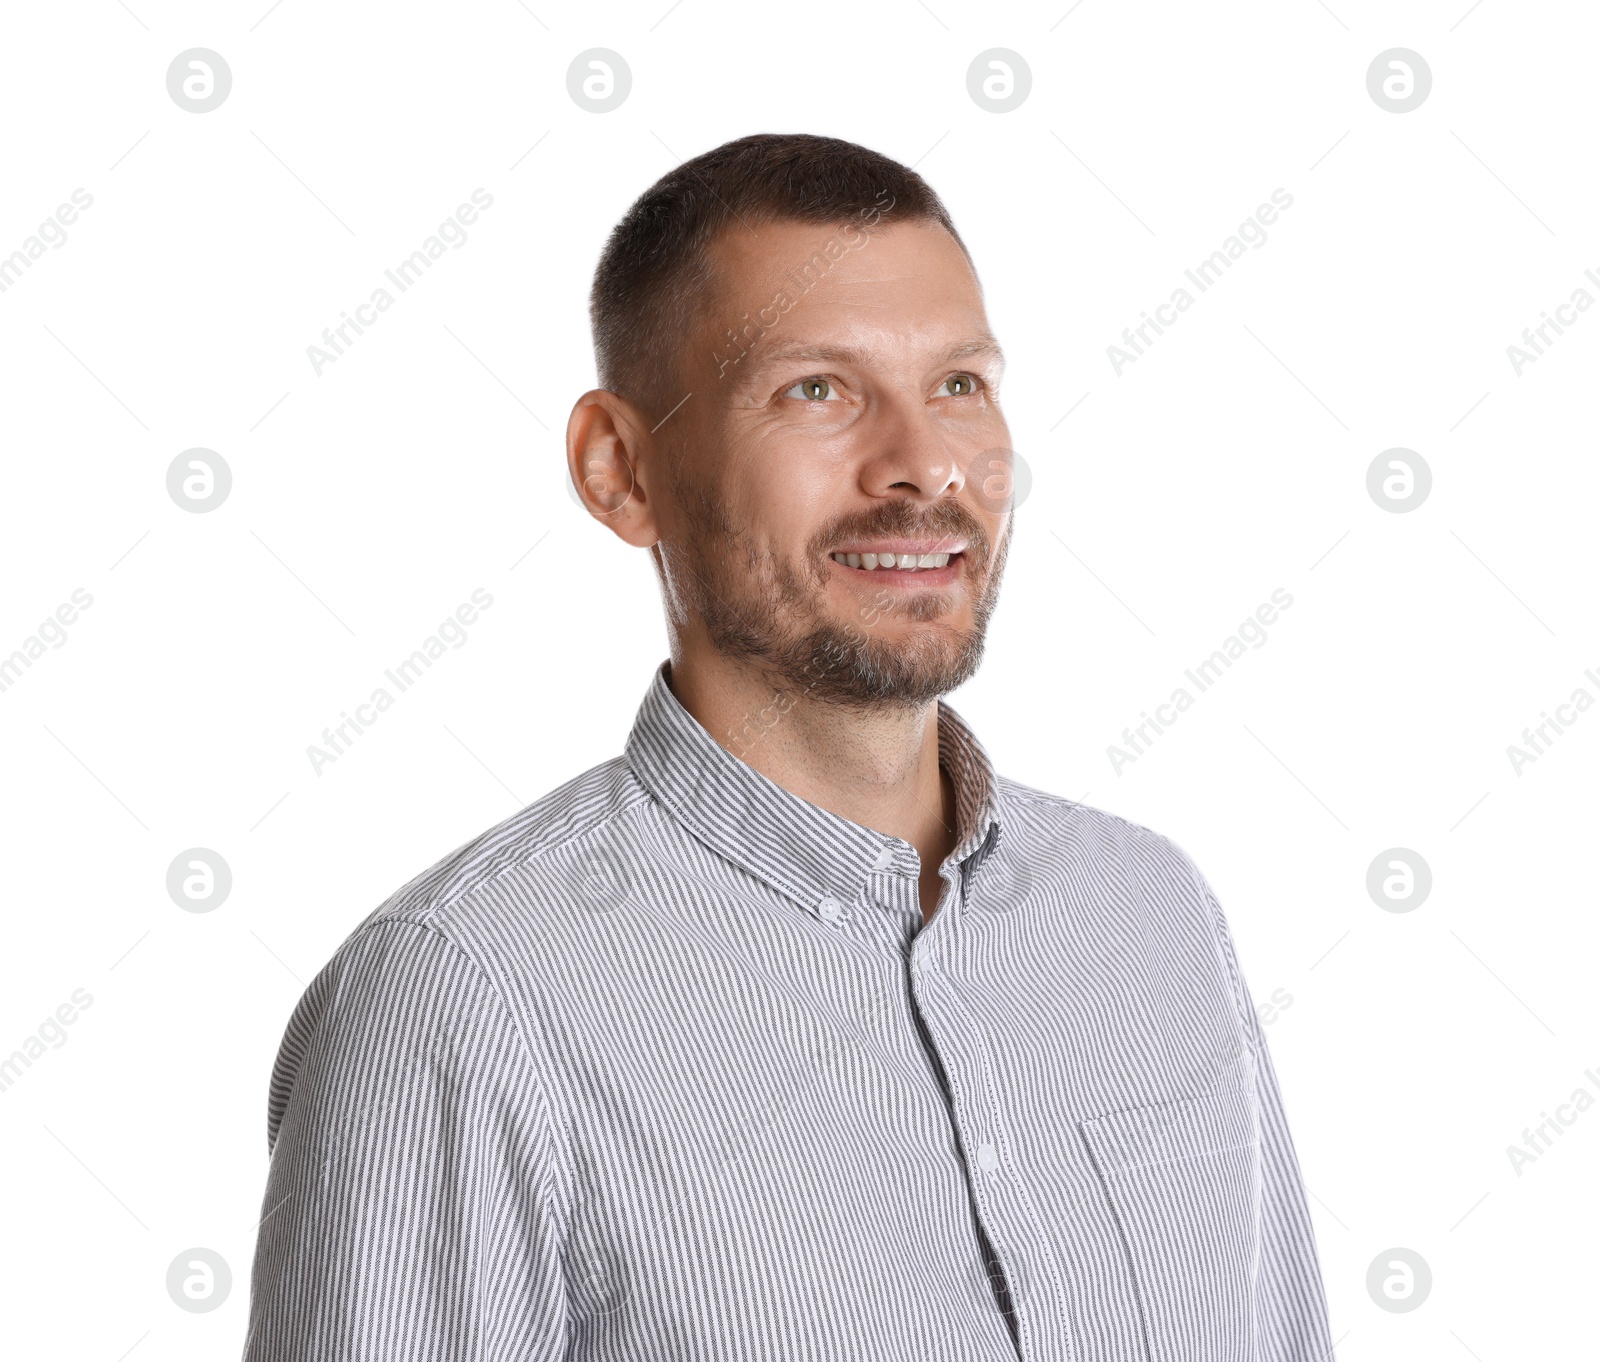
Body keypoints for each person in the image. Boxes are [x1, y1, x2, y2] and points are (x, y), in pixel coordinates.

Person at [242, 132, 1335, 1361]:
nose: (923, 464)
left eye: (960, 384)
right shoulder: (459, 1001)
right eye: (816, 389)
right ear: (621, 471)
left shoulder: (1152, 913)